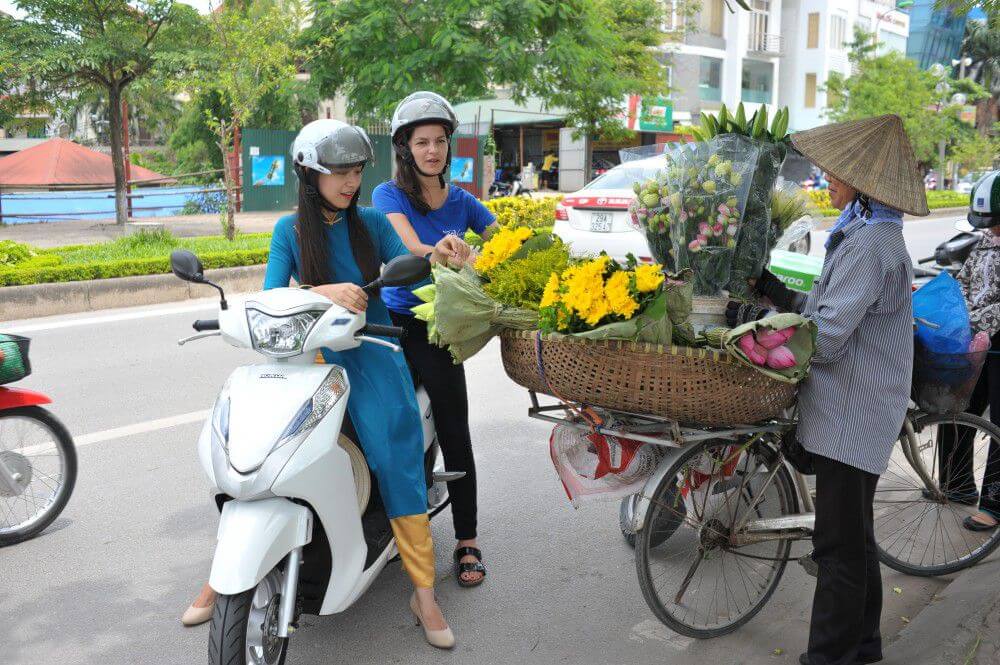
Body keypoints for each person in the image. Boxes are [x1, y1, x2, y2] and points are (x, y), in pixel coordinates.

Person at [183, 119, 466, 649]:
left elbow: (415, 264)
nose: (350, 181)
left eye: (356, 170)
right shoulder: (288, 231)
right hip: (307, 354)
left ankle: (423, 591)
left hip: (373, 351)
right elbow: (272, 293)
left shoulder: (374, 223)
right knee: (255, 449)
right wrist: (324, 289)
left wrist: (440, 255)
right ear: (309, 173)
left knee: (397, 454)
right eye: (338, 172)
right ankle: (223, 576)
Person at [729, 114, 928, 665]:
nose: (825, 178)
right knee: (856, 540)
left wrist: (755, 324)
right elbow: (823, 311)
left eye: (835, 171)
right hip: (857, 407)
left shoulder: (870, 244)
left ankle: (829, 657)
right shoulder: (867, 232)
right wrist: (774, 296)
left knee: (838, 547)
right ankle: (863, 646)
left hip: (854, 412)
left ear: (862, 182)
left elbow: (830, 338)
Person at [372, 91, 498, 588]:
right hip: (394, 326)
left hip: (440, 332)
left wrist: (504, 252)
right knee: (389, 431)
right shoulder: (389, 196)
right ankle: (395, 528)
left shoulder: (464, 200)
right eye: (422, 142)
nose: (432, 151)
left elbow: (499, 244)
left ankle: (467, 540)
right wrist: (441, 252)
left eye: (440, 141)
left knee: (454, 431)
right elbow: (404, 247)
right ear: (405, 147)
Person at [936, 170, 1000, 531]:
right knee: (957, 408)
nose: (993, 230)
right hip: (976, 341)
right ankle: (955, 483)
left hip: (996, 343)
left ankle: (994, 504)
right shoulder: (985, 243)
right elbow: (965, 282)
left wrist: (977, 321)